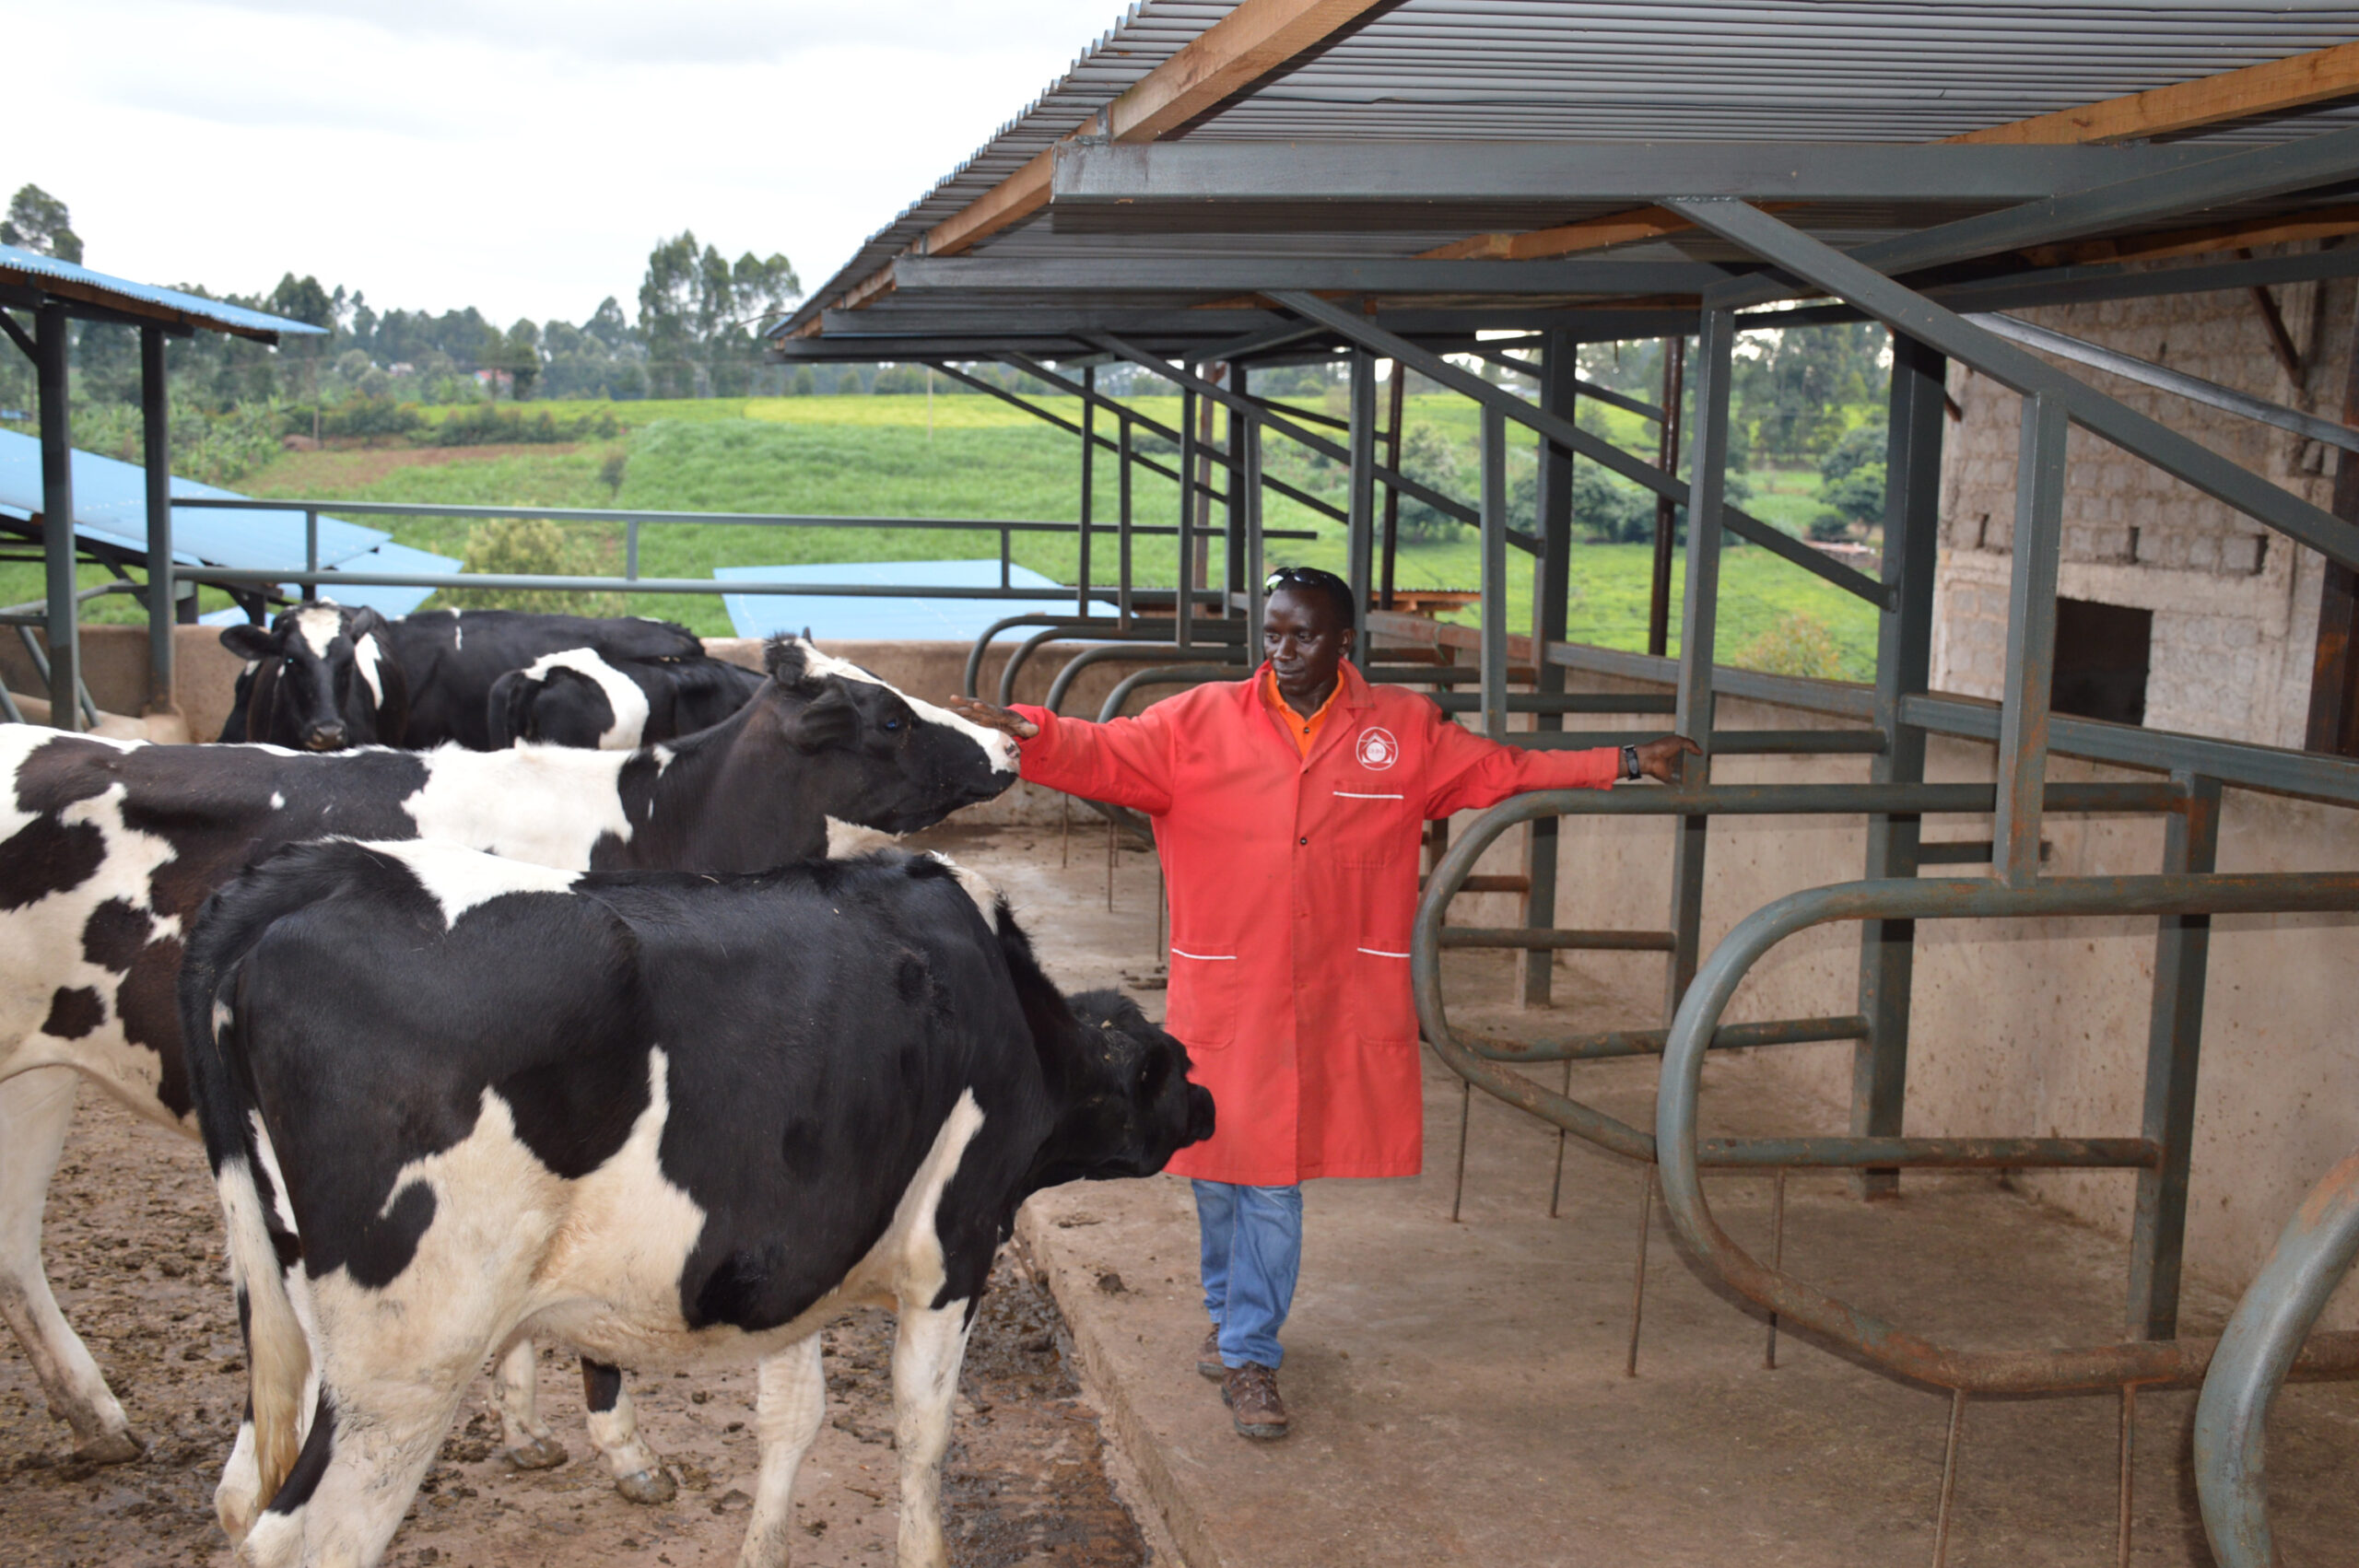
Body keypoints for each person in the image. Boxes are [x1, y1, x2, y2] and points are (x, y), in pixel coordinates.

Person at [948, 567, 1696, 1442]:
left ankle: (1252, 1354)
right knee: (1217, 1165)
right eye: (1271, 633)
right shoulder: (1199, 723)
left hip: (1326, 997)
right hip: (1227, 988)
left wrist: (1626, 761)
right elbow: (1101, 750)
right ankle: (1230, 1320)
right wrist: (1026, 730)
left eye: (1303, 635)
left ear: (1346, 643)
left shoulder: (1400, 731)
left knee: (1270, 1180)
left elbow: (1503, 769)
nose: (1282, 651)